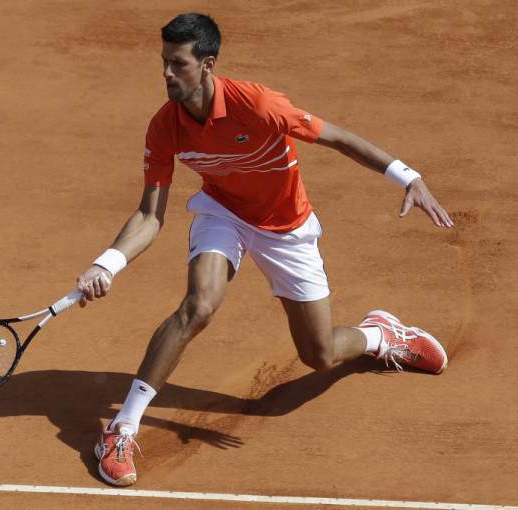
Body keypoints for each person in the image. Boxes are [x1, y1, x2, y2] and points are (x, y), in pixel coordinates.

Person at [75, 12, 454, 487]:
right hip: (223, 212)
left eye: (178, 63)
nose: (167, 72)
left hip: (287, 226)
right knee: (198, 306)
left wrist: (408, 177)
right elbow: (150, 216)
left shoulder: (257, 104)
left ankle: (380, 336)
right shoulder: (164, 127)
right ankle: (122, 428)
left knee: (319, 355)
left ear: (207, 65)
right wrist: (106, 264)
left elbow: (338, 138)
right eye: (164, 62)